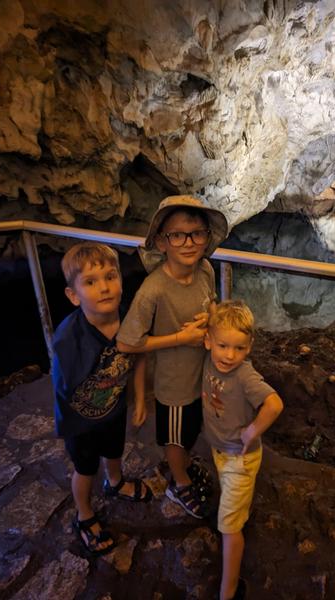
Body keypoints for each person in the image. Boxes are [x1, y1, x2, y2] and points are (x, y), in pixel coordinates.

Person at [117, 194, 228, 519]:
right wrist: (182, 338)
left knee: (191, 429)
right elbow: (127, 342)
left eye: (197, 234)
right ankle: (178, 483)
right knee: (175, 438)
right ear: (162, 242)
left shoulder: (205, 269)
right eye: (177, 235)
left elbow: (212, 304)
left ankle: (184, 467)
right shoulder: (154, 290)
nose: (189, 243)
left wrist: (210, 319)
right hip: (174, 384)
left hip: (202, 374)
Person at [52, 242, 152, 557]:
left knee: (114, 449)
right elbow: (72, 386)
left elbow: (136, 354)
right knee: (84, 468)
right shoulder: (69, 339)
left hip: (113, 407)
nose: (105, 287)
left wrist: (137, 397)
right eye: (91, 282)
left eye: (111, 277)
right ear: (73, 295)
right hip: (81, 419)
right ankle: (84, 514)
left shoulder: (126, 317)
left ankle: (116, 482)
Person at [202, 300, 284, 600]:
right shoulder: (209, 358)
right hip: (221, 451)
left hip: (240, 458)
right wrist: (211, 312)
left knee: (229, 528)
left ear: (248, 348)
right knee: (231, 506)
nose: (229, 355)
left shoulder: (244, 375)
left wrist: (252, 431)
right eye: (223, 345)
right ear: (208, 340)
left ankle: (229, 591)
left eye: (239, 348)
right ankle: (235, 511)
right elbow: (212, 319)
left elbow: (274, 404)